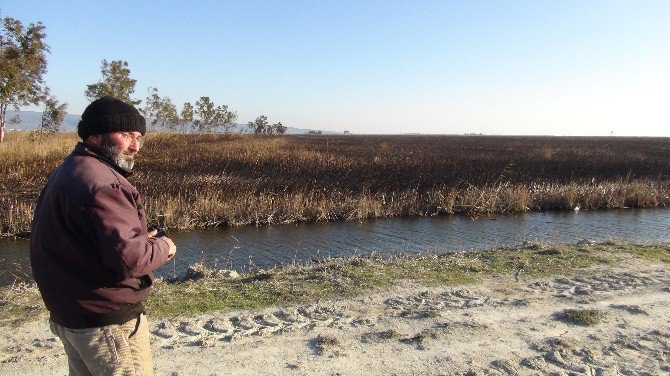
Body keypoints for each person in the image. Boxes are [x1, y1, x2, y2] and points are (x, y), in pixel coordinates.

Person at [30, 96, 177, 375]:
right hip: (107, 324)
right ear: (95, 134)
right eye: (125, 135)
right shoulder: (104, 184)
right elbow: (130, 261)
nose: (135, 146)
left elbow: (79, 241)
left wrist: (140, 237)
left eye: (139, 137)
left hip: (73, 314)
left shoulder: (72, 169)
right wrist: (163, 246)